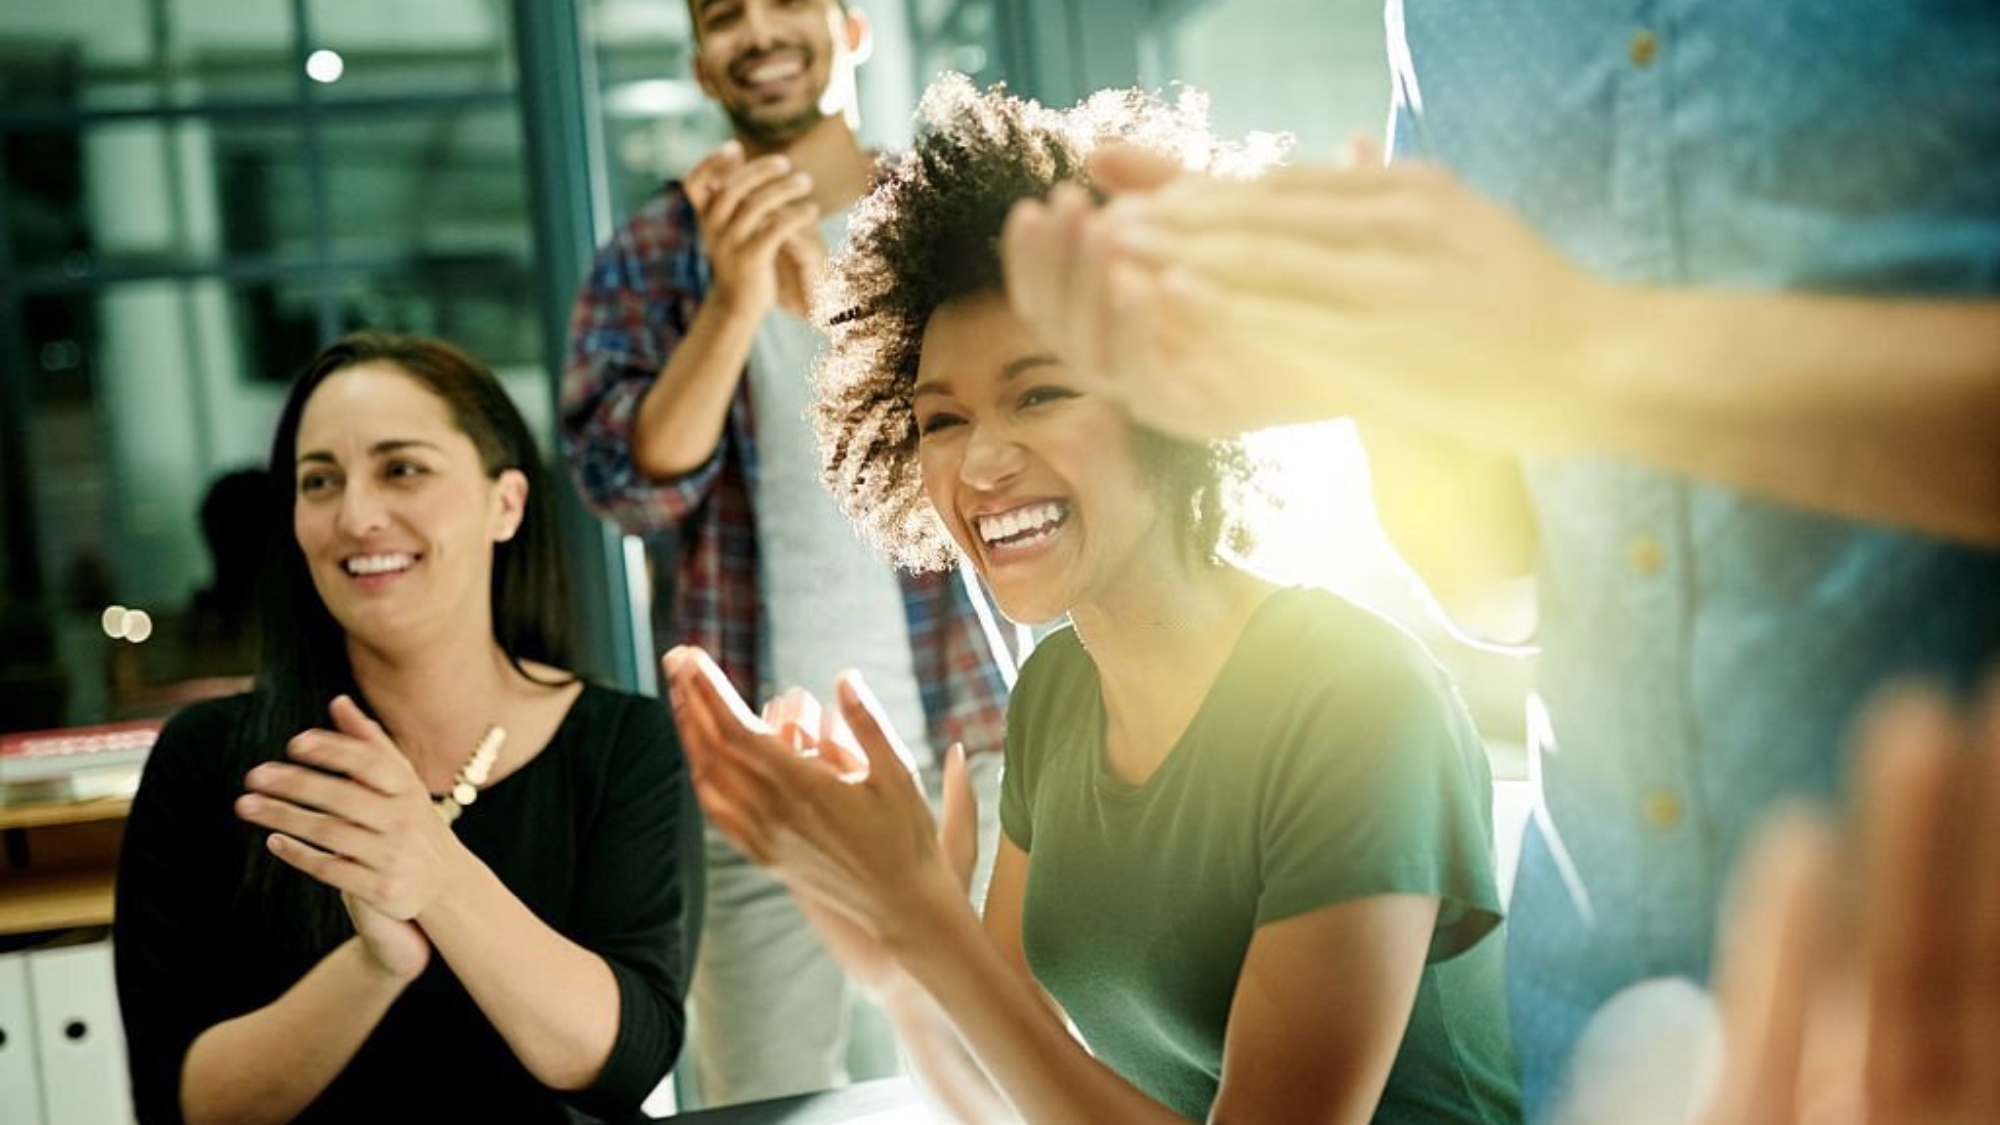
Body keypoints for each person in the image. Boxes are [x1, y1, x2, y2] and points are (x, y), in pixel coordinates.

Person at [997, 5, 2000, 1115]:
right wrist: (1374, 368)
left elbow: (1557, 358)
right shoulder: (1442, 20)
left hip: (1943, 1004)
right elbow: (1500, 583)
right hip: (1598, 1035)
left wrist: (1585, 356)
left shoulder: (1336, 699)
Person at [662, 76, 1520, 1125]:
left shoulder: (1353, 701)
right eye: (938, 420)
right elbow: (1016, 1094)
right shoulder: (1057, 693)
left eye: (1039, 394)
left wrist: (930, 927)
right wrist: (893, 959)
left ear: (1169, 394)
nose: (978, 463)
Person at [560, 0, 1013, 1105]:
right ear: (699, 59)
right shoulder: (650, 253)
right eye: (723, 15)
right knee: (761, 1100)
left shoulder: (945, 215)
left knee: (1007, 1083)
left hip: (974, 751)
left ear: (849, 26)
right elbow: (626, 485)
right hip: (760, 785)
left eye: (784, 5)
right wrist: (730, 300)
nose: (757, 32)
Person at [114, 333, 702, 1125]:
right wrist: (375, 962)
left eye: (403, 469)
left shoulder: (621, 744)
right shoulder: (208, 760)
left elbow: (620, 1062)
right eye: (319, 480)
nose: (356, 516)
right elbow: (184, 1106)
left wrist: (437, 874)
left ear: (507, 503)